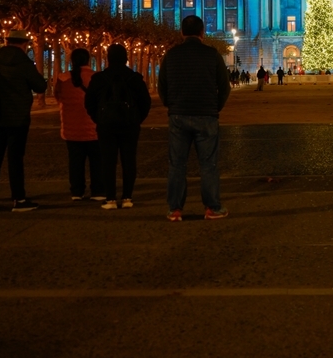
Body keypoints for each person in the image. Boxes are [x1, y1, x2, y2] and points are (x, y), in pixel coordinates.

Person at [158, 14, 231, 222]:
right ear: (202, 33)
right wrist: (214, 107)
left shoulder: (171, 55)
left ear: (181, 33)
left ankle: (175, 209)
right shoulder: (212, 54)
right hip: (206, 116)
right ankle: (211, 208)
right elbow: (224, 87)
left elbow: (162, 86)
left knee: (177, 164)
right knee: (208, 164)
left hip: (179, 116)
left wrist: (172, 106)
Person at [0, 29, 47, 212]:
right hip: (18, 117)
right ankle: (18, 199)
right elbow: (39, 85)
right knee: (15, 159)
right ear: (24, 44)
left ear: (7, 41)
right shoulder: (23, 62)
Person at [85, 44, 151, 209]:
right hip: (130, 125)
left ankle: (110, 198)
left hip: (106, 125)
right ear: (126, 58)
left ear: (108, 58)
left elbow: (89, 103)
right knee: (129, 160)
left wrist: (98, 118)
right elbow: (146, 103)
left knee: (108, 161)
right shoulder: (135, 78)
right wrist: (137, 119)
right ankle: (127, 197)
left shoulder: (99, 78)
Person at [54, 48, 104, 202]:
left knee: (75, 162)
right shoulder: (97, 77)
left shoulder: (62, 79)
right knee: (97, 162)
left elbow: (58, 97)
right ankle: (98, 190)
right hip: (94, 127)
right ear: (88, 60)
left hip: (71, 128)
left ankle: (77, 191)